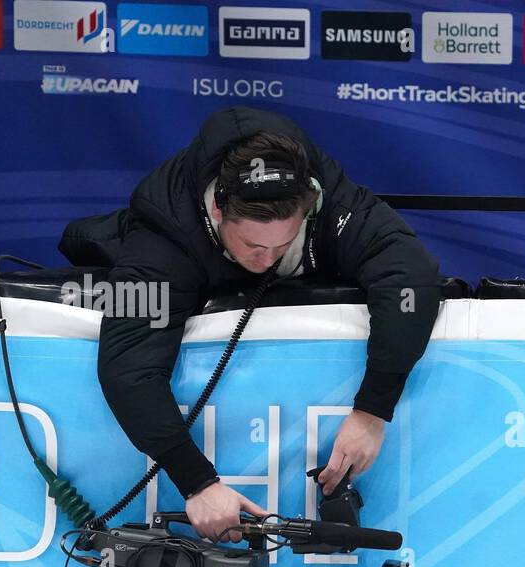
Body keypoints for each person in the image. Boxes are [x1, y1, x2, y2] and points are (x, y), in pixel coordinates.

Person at [60, 107, 442, 541]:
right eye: (254, 246)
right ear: (219, 210)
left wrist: (373, 409)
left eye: (285, 243)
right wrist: (197, 483)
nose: (269, 260)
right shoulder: (162, 236)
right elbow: (129, 372)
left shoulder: (327, 197)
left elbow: (411, 279)